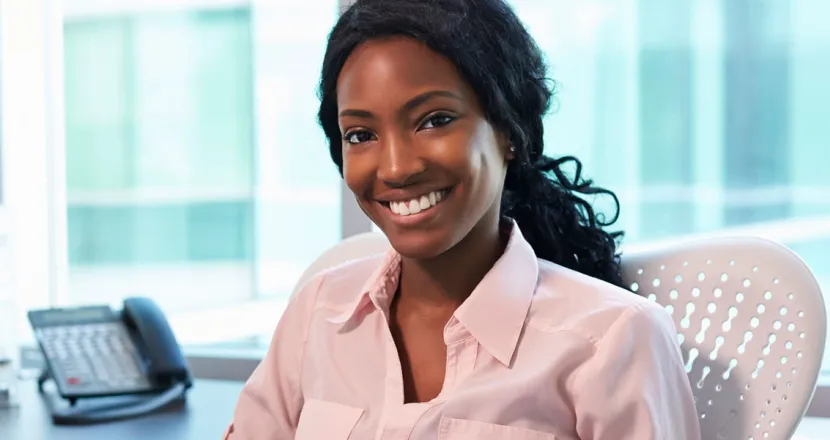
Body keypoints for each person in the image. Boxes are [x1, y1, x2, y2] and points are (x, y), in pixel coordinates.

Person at [224, 0, 700, 438]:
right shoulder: (320, 310)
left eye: (434, 120)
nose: (395, 167)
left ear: (510, 131)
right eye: (361, 134)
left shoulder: (612, 340)